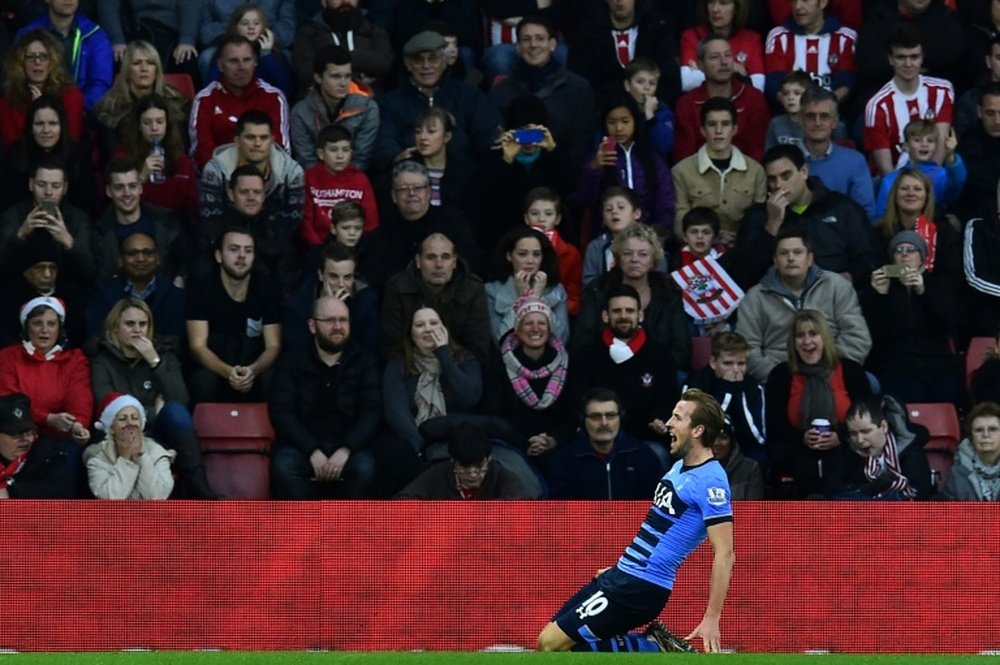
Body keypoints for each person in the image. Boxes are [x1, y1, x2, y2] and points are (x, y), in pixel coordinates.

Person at [536, 388, 733, 654]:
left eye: (677, 418)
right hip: (625, 574)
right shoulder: (678, 467)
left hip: (642, 587)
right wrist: (620, 567)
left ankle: (652, 648)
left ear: (697, 430)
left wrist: (711, 618)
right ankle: (649, 646)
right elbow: (656, 529)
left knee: (550, 644)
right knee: (556, 641)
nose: (669, 424)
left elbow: (725, 554)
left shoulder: (711, 481)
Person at [90, 298, 217, 498]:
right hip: (118, 433)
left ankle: (198, 486)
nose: (137, 330)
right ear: (115, 328)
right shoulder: (102, 359)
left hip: (159, 430)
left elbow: (179, 400)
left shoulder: (164, 355)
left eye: (143, 324)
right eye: (130, 324)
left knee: (175, 412)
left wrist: (154, 361)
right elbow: (108, 407)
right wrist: (153, 412)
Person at [269, 295, 379, 499]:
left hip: (349, 446)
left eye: (343, 320)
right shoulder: (290, 361)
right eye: (330, 320)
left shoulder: (366, 361)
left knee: (365, 469)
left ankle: (343, 527)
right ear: (312, 326)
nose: (338, 326)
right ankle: (308, 526)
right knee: (284, 467)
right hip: (301, 445)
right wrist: (312, 450)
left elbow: (371, 412)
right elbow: (282, 413)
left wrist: (346, 449)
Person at [726, 144, 877, 290]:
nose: (778, 185)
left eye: (786, 176)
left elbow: (871, 256)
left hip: (834, 297)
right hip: (779, 302)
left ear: (804, 172)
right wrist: (772, 226)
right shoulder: (758, 215)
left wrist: (849, 277)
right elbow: (743, 275)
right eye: (772, 179)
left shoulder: (841, 207)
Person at [736, 228, 871, 383]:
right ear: (775, 260)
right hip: (779, 376)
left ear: (810, 259)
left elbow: (857, 336)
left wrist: (832, 369)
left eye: (797, 252)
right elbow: (747, 348)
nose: (791, 258)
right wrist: (779, 377)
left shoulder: (837, 286)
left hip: (833, 371)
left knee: (870, 383)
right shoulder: (755, 297)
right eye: (784, 253)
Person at [765, 309, 870, 498]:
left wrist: (840, 436)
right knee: (799, 466)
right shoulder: (781, 375)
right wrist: (802, 437)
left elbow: (867, 417)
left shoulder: (851, 370)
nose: (807, 341)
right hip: (797, 447)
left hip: (844, 445)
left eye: (813, 334)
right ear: (793, 342)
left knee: (843, 463)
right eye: (800, 335)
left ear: (825, 338)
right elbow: (774, 425)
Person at [380, 306, 482, 494]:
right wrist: (418, 444)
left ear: (445, 329)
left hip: (453, 435)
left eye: (434, 323)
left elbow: (470, 398)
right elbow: (395, 409)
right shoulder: (398, 363)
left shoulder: (464, 359)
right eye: (420, 325)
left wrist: (443, 353)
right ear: (411, 334)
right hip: (414, 439)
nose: (428, 329)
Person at [371, 30, 501, 172]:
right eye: (418, 60)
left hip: (464, 176)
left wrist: (496, 142)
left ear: (444, 62)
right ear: (408, 65)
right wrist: (395, 157)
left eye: (433, 59)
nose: (426, 66)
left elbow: (487, 132)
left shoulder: (468, 95)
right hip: (410, 176)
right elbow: (384, 142)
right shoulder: (390, 102)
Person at [572, 284, 678, 448]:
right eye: (616, 311)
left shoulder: (659, 354)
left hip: (646, 439)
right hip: (598, 439)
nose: (623, 316)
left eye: (629, 311)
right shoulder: (587, 354)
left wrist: (660, 420)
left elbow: (668, 398)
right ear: (605, 316)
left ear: (640, 315)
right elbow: (579, 399)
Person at [575, 224, 690, 371]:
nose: (634, 259)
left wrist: (645, 367)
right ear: (617, 258)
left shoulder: (668, 291)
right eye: (627, 253)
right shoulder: (599, 290)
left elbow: (681, 350)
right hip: (607, 369)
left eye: (643, 254)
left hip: (656, 371)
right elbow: (582, 342)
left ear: (653, 260)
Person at [185, 227, 282, 402]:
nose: (242, 255)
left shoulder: (269, 288)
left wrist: (253, 370)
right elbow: (197, 346)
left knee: (273, 379)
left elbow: (273, 346)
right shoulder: (201, 287)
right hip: (216, 366)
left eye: (248, 250)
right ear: (218, 256)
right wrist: (229, 373)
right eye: (234, 249)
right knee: (203, 381)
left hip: (253, 366)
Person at [487, 15, 596, 169]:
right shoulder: (500, 92)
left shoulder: (578, 87)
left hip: (564, 176)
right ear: (518, 46)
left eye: (540, 38)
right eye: (526, 39)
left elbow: (583, 141)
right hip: (512, 176)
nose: (533, 45)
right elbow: (494, 140)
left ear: (552, 44)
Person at [0, 297, 92, 469]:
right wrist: (48, 419)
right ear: (27, 327)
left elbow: (80, 399)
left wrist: (78, 424)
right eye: (37, 323)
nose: (44, 330)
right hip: (15, 434)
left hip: (59, 438)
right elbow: (8, 404)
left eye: (51, 324)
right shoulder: (7, 357)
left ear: (60, 328)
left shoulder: (75, 360)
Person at [361, 161, 481, 289]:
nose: (412, 193)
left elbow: (470, 263)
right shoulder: (383, 232)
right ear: (394, 196)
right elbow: (377, 275)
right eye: (403, 189)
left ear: (429, 192)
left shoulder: (454, 221)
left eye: (418, 188)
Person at [484, 296, 575, 463]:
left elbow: (573, 414)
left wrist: (552, 440)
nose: (535, 329)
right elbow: (495, 413)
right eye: (528, 323)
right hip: (513, 446)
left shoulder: (567, 363)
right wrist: (525, 443)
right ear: (517, 329)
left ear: (549, 328)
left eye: (541, 323)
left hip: (559, 446)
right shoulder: (499, 364)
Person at [380, 232, 491, 363]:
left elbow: (478, 345)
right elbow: (392, 345)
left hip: (460, 366)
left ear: (454, 262)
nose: (439, 264)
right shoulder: (398, 288)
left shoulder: (472, 289)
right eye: (431, 257)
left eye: (445, 257)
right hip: (411, 367)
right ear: (418, 261)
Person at [670, 96, 765, 244]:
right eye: (712, 124)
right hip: (698, 252)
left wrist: (737, 238)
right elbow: (680, 221)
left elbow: (759, 220)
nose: (719, 131)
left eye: (725, 124)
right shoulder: (681, 171)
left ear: (734, 129)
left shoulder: (756, 171)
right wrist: (710, 238)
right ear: (702, 130)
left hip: (741, 250)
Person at [575, 94, 674, 235]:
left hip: (649, 239)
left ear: (636, 122)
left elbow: (665, 205)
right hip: (609, 239)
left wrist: (656, 235)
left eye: (625, 121)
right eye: (612, 122)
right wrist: (594, 169)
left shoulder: (653, 160)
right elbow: (584, 199)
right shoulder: (597, 159)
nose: (619, 128)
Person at [863, 25, 955, 176]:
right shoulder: (877, 105)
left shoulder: (942, 91)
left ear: (922, 57)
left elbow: (941, 145)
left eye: (914, 57)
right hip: (893, 183)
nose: (908, 64)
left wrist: (928, 184)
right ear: (890, 59)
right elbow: (886, 169)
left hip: (933, 178)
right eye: (901, 57)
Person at [189, 34, 289, 169]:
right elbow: (201, 151)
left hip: (264, 181)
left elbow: (280, 150)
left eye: (247, 60)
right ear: (220, 65)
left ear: (255, 62)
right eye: (233, 61)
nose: (241, 67)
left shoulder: (273, 97)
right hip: (219, 178)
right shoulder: (205, 99)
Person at [199, 109, 304, 235]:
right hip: (227, 240)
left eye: (264, 138)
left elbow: (292, 225)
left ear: (272, 141)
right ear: (237, 141)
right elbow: (211, 222)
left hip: (274, 240)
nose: (257, 144)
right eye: (250, 137)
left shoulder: (291, 173)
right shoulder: (215, 171)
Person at [547, 387, 664, 499]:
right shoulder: (565, 461)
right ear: (583, 420)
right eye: (595, 416)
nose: (604, 423)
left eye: (610, 415)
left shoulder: (643, 456)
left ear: (620, 418)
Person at [672, 33, 769, 163]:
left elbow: (757, 151)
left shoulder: (753, 98)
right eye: (714, 57)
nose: (724, 62)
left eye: (728, 55)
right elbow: (684, 156)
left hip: (746, 175)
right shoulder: (687, 104)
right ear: (700, 65)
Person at [566, 0, 681, 106]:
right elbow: (580, 79)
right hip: (603, 113)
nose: (619, 1)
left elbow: (669, 77)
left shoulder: (657, 27)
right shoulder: (587, 31)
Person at [84, 232, 187, 350]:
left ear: (158, 259)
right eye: (132, 254)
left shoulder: (174, 296)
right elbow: (94, 340)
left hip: (161, 363)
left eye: (147, 253)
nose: (141, 259)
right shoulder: (103, 292)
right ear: (120, 260)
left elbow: (176, 342)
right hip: (113, 363)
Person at [0, 160, 95, 286]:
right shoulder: (12, 216)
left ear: (65, 188)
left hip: (66, 290)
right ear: (31, 185)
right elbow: (3, 269)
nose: (48, 192)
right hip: (20, 289)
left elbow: (89, 273)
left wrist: (68, 241)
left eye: (56, 186)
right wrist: (20, 235)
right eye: (41, 184)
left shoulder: (79, 219)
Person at [92, 160, 186, 282]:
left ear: (140, 188)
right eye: (119, 187)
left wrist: (180, 278)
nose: (127, 193)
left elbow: (184, 261)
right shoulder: (99, 233)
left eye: (132, 186)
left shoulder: (167, 221)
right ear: (109, 191)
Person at [290, 44, 379, 171]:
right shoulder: (300, 112)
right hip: (316, 183)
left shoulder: (367, 108)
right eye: (335, 76)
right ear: (318, 78)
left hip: (354, 180)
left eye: (347, 76)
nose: (343, 83)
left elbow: (361, 158)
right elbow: (306, 160)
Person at [684, 331, 766, 468]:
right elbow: (696, 432)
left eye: (741, 363)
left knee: (759, 459)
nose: (735, 370)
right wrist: (726, 392)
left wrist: (740, 395)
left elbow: (758, 439)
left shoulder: (754, 388)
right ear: (713, 362)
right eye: (728, 363)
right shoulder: (694, 385)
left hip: (742, 448)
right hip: (703, 447)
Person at [2, 94, 94, 214]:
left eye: (53, 123)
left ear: (62, 126)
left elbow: (86, 204)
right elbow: (7, 204)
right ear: (31, 127)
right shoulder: (15, 155)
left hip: (70, 226)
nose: (46, 130)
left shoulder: (78, 154)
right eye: (39, 124)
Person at [283, 241, 378, 354]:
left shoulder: (366, 301)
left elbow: (368, 351)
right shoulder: (298, 304)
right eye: (334, 276)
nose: (341, 284)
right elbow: (299, 351)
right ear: (321, 275)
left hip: (353, 368)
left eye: (347, 277)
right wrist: (326, 310)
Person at [16, 0, 113, 109]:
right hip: (35, 113)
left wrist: (75, 108)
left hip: (83, 113)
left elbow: (100, 82)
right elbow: (17, 79)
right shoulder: (28, 34)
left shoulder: (95, 34)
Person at [115, 93, 198, 221]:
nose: (154, 128)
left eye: (160, 122)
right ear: (139, 126)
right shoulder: (123, 159)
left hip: (176, 226)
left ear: (167, 124)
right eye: (147, 122)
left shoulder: (182, 161)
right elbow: (118, 202)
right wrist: (142, 177)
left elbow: (192, 206)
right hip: (137, 222)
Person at [798, 85, 875, 220]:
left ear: (835, 121)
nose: (817, 123)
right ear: (800, 119)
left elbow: (865, 214)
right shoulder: (786, 160)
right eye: (811, 116)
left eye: (824, 116)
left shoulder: (854, 161)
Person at [92, 41, 189, 147]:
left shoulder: (176, 102)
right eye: (137, 63)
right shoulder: (110, 107)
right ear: (127, 70)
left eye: (150, 63)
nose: (144, 69)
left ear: (157, 69)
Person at [395, 423, 529, 500]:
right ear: (453, 461)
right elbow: (404, 499)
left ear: (488, 459)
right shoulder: (437, 474)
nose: (472, 475)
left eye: (479, 467)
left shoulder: (503, 478)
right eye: (465, 467)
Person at [0, 29, 85, 150]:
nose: (37, 62)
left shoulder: (72, 97)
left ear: (53, 62)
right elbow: (14, 152)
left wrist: (43, 106)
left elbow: (69, 146)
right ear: (20, 63)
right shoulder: (7, 103)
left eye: (44, 57)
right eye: (30, 57)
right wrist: (34, 111)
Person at [876, 168, 963, 284]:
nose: (911, 193)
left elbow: (951, 276)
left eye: (917, 189)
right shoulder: (880, 231)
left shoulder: (944, 232)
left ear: (927, 197)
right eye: (904, 189)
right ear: (895, 195)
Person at [837, 395, 933, 500]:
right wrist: (872, 488)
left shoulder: (910, 450)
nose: (859, 440)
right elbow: (836, 490)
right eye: (853, 433)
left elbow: (921, 492)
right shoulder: (849, 452)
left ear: (884, 427)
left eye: (866, 431)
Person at [485, 227, 569, 345]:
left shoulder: (557, 290)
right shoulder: (491, 290)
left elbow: (561, 339)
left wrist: (535, 298)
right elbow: (500, 341)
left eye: (536, 254)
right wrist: (523, 301)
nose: (530, 261)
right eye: (522, 254)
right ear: (509, 256)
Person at [83, 392, 176, 500]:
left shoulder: (157, 452)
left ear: (142, 424)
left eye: (135, 418)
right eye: (122, 419)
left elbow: (156, 497)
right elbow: (110, 499)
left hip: (151, 516)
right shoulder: (98, 456)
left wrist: (141, 456)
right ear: (111, 428)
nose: (130, 423)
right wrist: (125, 459)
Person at [763, 0, 857, 103]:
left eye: (805, 0)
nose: (797, 6)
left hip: (831, 114)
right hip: (791, 114)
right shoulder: (778, 37)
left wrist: (822, 107)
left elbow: (846, 84)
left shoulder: (846, 38)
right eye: (794, 1)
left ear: (823, 3)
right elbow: (774, 85)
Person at [291, 0, 393, 94]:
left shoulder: (374, 33)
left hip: (368, 104)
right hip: (319, 105)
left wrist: (330, 62)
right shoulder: (307, 34)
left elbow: (383, 63)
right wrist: (358, 72)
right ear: (324, 2)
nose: (346, 1)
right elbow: (306, 70)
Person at [301, 124, 378, 247]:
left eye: (345, 150)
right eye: (333, 150)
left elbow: (370, 222)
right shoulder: (309, 178)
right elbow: (306, 222)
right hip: (318, 247)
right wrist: (317, 249)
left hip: (356, 247)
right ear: (321, 153)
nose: (340, 156)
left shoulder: (361, 180)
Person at [874, 119, 965, 218]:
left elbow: (958, 183)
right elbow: (881, 215)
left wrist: (950, 156)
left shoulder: (942, 176)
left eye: (930, 141)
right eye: (917, 140)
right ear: (906, 145)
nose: (924, 144)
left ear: (936, 146)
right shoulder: (891, 180)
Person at [203, 4, 294, 100]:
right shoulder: (224, 52)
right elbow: (211, 88)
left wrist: (266, 55)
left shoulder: (275, 55)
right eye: (245, 23)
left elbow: (285, 90)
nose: (251, 27)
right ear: (235, 27)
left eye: (256, 23)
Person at [98, 0, 199, 81]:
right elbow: (108, 6)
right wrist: (117, 40)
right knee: (117, 58)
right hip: (135, 30)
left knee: (187, 59)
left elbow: (190, 6)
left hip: (172, 33)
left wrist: (186, 40)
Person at [0, 392, 75, 498]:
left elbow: (63, 489)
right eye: (16, 434)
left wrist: (10, 493)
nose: (27, 439)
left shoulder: (49, 454)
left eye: (30, 432)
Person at [679, 0, 764, 93]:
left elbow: (758, 87)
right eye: (711, 2)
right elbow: (687, 81)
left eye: (723, 3)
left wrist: (706, 69)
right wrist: (734, 70)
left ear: (736, 8)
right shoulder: (692, 35)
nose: (715, 9)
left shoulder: (752, 39)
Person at [523, 187, 582, 316]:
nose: (541, 219)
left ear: (557, 218)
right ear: (526, 218)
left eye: (548, 214)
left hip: (557, 313)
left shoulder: (571, 253)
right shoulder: (516, 249)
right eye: (534, 213)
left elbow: (574, 295)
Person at [957, 82, 1000, 221]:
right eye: (990, 113)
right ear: (979, 112)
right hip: (977, 219)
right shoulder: (967, 145)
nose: (997, 121)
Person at [942, 401, 1000, 501]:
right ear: (971, 437)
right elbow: (948, 514)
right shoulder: (956, 475)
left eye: (993, 429)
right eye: (979, 430)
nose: (986, 435)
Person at [622, 56, 676, 162]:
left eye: (652, 83)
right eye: (640, 82)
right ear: (627, 85)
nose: (646, 87)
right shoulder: (619, 111)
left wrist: (650, 116)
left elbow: (664, 146)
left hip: (655, 171)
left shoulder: (663, 112)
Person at [712, 417, 763, 499]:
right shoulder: (690, 469)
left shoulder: (750, 468)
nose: (716, 443)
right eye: (711, 437)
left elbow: (754, 510)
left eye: (723, 437)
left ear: (731, 441)